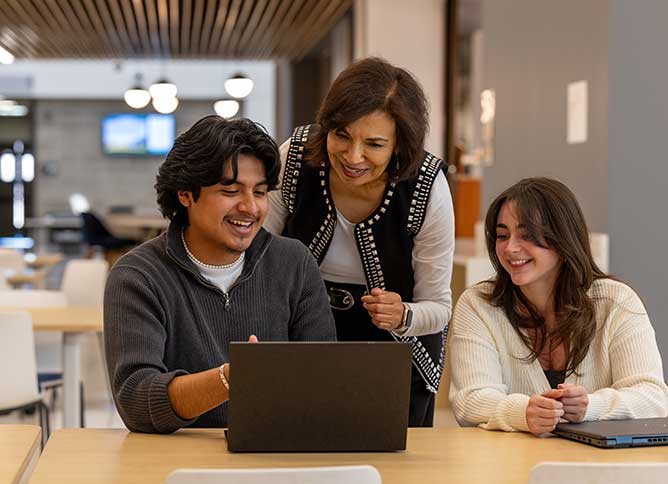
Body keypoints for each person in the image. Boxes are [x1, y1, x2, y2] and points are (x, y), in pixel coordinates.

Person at [104, 116, 336, 434]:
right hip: (176, 466)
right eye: (230, 190)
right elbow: (136, 401)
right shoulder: (138, 276)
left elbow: (324, 381)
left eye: (260, 192)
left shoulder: (293, 263)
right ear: (186, 195)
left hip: (275, 459)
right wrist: (230, 378)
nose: (250, 207)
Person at [264, 57, 455, 427]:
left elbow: (439, 307)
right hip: (302, 337)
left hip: (396, 356)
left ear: (400, 145)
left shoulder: (428, 187)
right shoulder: (296, 157)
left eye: (375, 144)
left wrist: (404, 315)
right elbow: (257, 256)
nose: (353, 157)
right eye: (341, 135)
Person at [449, 177, 668, 436]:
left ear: (563, 238)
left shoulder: (616, 302)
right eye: (502, 235)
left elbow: (653, 398)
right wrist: (523, 412)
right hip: (509, 466)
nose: (510, 248)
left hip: (596, 470)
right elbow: (469, 400)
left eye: (527, 235)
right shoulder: (478, 304)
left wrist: (591, 406)